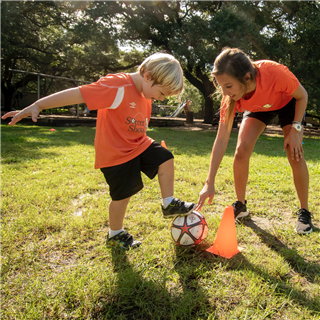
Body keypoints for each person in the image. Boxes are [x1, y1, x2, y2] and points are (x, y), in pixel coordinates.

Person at [1, 52, 196, 249]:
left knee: (164, 157)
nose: (159, 98)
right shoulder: (117, 85)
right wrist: (38, 105)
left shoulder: (146, 89)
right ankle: (115, 234)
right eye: (161, 94)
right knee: (123, 194)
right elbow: (78, 94)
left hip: (138, 143)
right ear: (148, 77)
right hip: (116, 152)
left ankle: (169, 203)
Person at [195, 47, 313, 234]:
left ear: (247, 77)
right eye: (221, 86)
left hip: (288, 102)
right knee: (241, 151)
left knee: (294, 153)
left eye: (228, 86)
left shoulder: (275, 73)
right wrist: (210, 182)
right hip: (258, 108)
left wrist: (296, 129)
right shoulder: (232, 97)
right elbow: (221, 139)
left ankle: (305, 211)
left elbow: (302, 95)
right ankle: (241, 206)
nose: (224, 93)